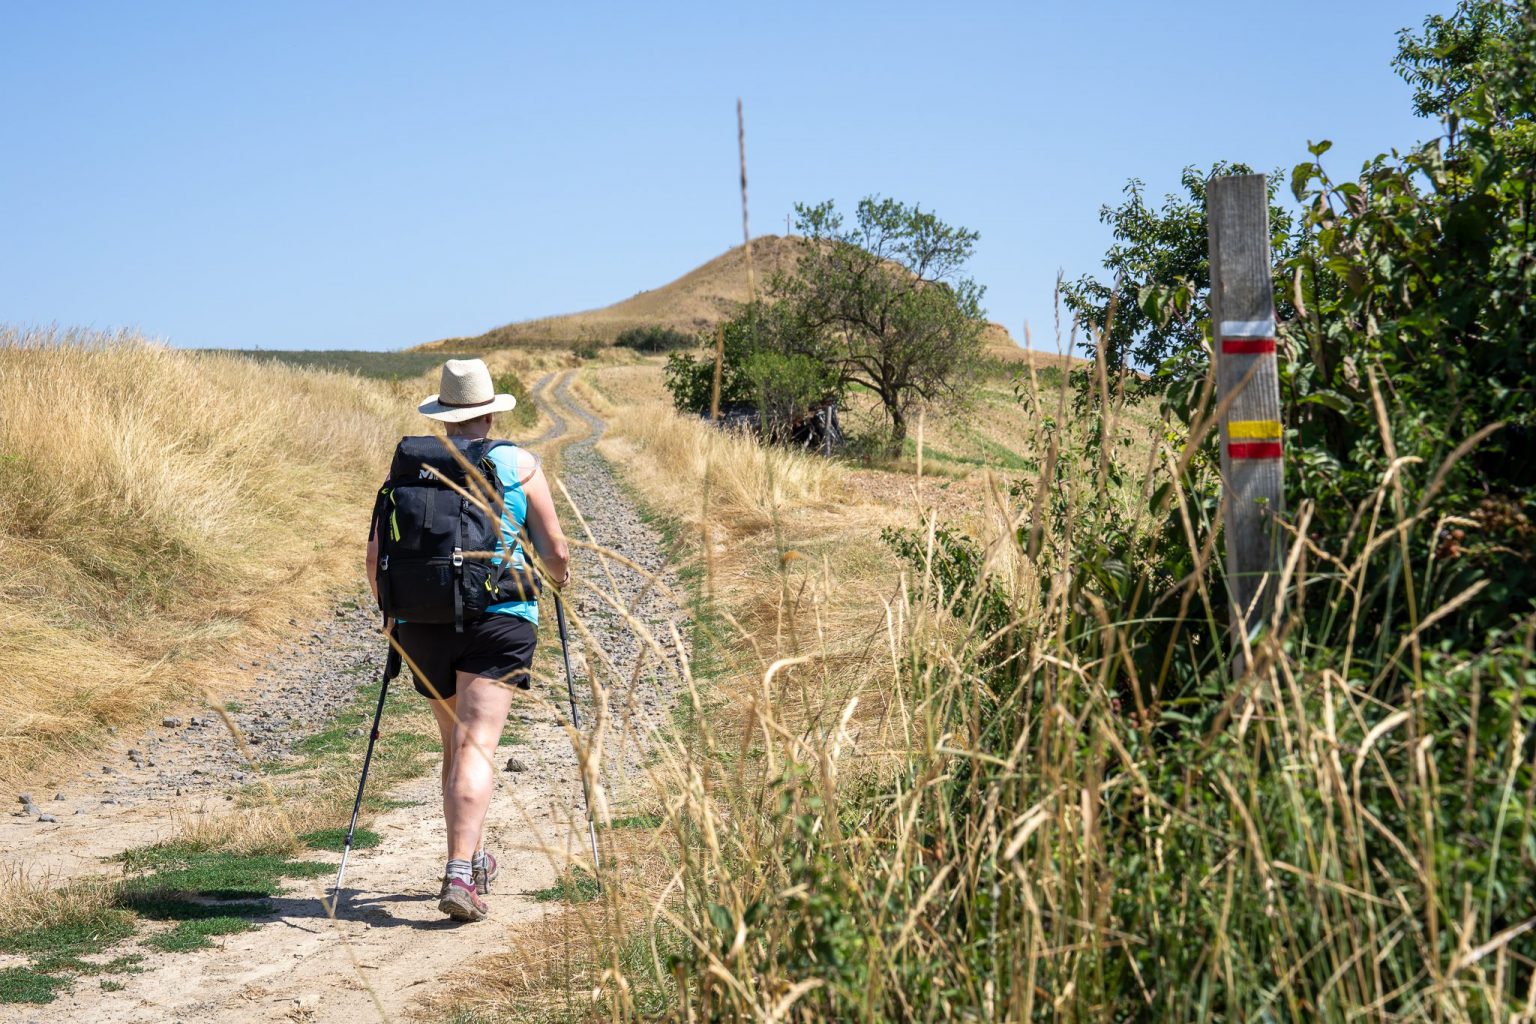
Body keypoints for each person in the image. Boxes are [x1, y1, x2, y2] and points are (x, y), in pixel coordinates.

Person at [365, 358, 569, 922]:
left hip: (423, 623)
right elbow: (554, 550)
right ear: (489, 411)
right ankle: (460, 872)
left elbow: (375, 556)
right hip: (499, 616)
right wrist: (559, 579)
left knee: (454, 746)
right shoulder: (518, 465)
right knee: (478, 745)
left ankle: (472, 857)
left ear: (446, 415)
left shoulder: (410, 466)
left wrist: (393, 613)